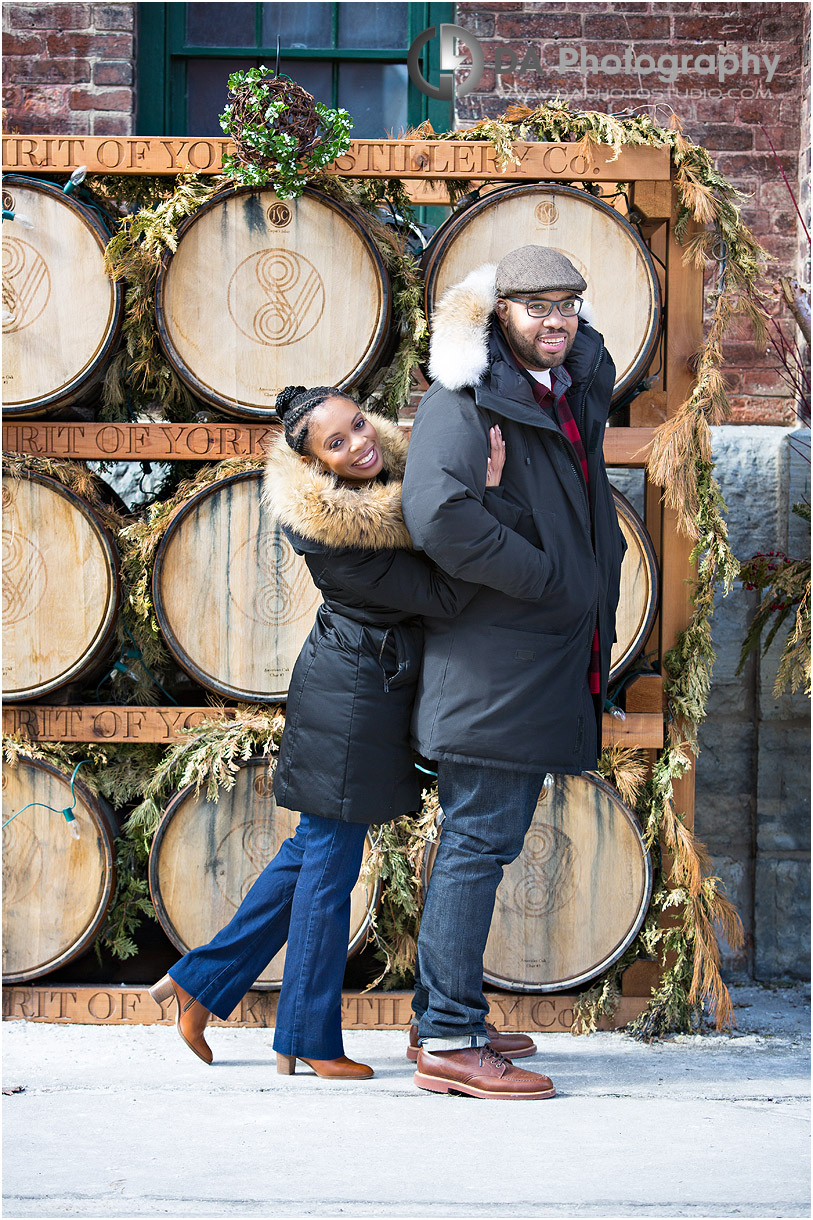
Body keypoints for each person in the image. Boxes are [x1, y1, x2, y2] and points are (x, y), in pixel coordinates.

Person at [150, 384, 514, 1080]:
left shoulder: (387, 481)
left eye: (357, 424)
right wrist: (483, 502)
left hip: (361, 688)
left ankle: (201, 982)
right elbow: (443, 594)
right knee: (328, 870)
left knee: (310, 853)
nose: (358, 444)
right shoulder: (334, 527)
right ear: (314, 463)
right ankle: (306, 1039)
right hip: (351, 703)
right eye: (337, 443)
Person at [401, 246, 625, 1101]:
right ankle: (452, 1042)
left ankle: (440, 1014)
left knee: (478, 846)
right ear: (497, 314)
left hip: (528, 664)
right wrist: (546, 579)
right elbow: (439, 518)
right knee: (476, 847)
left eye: (567, 304)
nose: (556, 320)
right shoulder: (462, 406)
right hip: (495, 667)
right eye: (535, 306)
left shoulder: (556, 396)